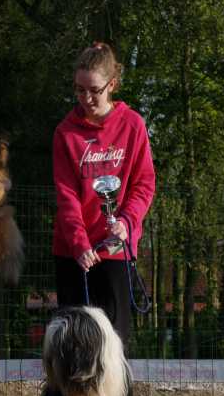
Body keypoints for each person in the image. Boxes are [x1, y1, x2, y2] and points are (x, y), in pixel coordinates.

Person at [52, 42, 155, 347]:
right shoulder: (65, 133)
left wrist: (127, 220)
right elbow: (66, 194)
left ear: (112, 85)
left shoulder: (133, 125)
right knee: (72, 348)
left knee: (113, 348)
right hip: (74, 254)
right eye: (79, 90)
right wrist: (79, 244)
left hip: (115, 251)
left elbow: (144, 183)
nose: (86, 98)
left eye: (94, 90)